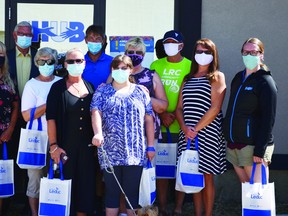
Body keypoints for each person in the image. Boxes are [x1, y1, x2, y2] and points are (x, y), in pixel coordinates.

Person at [90, 54, 155, 216]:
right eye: (116, 68)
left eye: (124, 68)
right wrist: (97, 133)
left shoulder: (141, 91)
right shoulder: (102, 91)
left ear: (131, 70)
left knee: (131, 193)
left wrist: (151, 145)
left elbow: (149, 119)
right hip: (109, 151)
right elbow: (95, 112)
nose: (120, 71)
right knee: (111, 192)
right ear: (111, 70)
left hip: (135, 151)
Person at [175, 38, 227, 216]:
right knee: (193, 176)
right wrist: (184, 128)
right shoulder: (187, 78)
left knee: (207, 176)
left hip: (207, 134)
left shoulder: (217, 77)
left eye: (207, 52)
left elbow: (215, 108)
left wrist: (195, 129)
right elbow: (179, 108)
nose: (202, 55)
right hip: (187, 135)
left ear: (213, 56)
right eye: (199, 52)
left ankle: (208, 214)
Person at [46, 48, 96, 216]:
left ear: (84, 63)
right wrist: (53, 146)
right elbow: (50, 118)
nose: (75, 64)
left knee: (85, 190)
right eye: (71, 61)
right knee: (65, 189)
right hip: (65, 148)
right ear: (65, 64)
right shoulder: (57, 88)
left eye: (79, 61)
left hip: (88, 149)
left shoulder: (90, 87)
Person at [223, 38, 277, 183]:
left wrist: (260, 149)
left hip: (253, 146)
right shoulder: (237, 78)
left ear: (261, 55)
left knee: (259, 192)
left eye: (254, 52)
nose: (249, 56)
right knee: (248, 191)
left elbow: (268, 119)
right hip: (234, 145)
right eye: (246, 52)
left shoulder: (265, 82)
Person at [150, 30, 191, 216]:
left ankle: (178, 207)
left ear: (181, 45)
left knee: (180, 167)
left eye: (173, 42)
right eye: (166, 42)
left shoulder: (191, 66)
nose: (170, 45)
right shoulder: (155, 64)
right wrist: (163, 114)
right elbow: (151, 95)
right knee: (162, 168)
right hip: (160, 125)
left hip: (182, 125)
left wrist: (175, 113)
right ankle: (163, 205)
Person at [21, 47, 61, 216]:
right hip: (36, 140)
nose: (46, 64)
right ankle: (35, 213)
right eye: (41, 61)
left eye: (49, 61)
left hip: (58, 139)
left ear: (55, 62)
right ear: (36, 63)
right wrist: (48, 104)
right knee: (35, 179)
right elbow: (25, 115)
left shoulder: (61, 82)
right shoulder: (31, 85)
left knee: (56, 177)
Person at [0, 41, 19, 216]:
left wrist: (10, 130)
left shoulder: (9, 78)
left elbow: (15, 106)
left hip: (4, 137)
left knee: (2, 177)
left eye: (2, 55)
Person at [82, 25, 113, 89]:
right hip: (84, 98)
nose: (94, 41)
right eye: (91, 38)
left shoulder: (112, 61)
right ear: (86, 40)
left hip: (105, 98)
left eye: (98, 39)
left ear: (103, 41)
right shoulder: (80, 61)